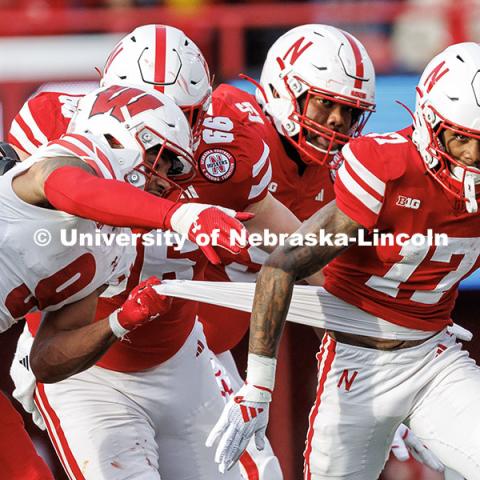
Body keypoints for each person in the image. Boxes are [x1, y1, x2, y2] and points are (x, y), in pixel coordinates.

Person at [207, 42, 480, 479]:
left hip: (435, 359)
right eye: (462, 139)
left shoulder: (334, 165)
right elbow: (291, 264)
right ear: (431, 122)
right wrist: (258, 387)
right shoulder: (384, 167)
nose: (471, 156)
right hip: (356, 369)